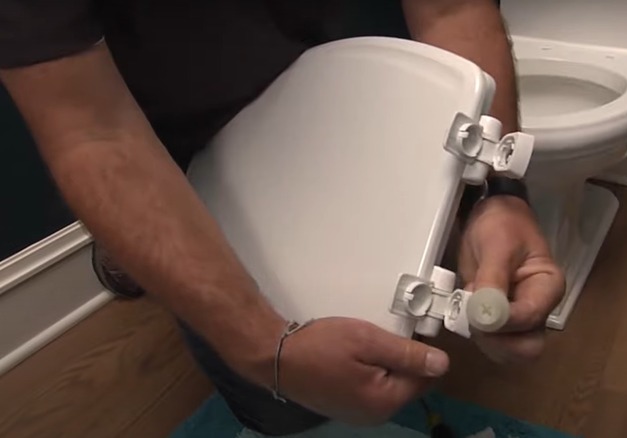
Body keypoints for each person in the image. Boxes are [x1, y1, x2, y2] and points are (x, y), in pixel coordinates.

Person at [0, 0, 564, 435]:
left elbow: (452, 9)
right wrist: (265, 348)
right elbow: (92, 131)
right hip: (171, 145)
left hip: (324, 86)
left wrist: (496, 192)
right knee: (286, 404)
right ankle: (125, 251)